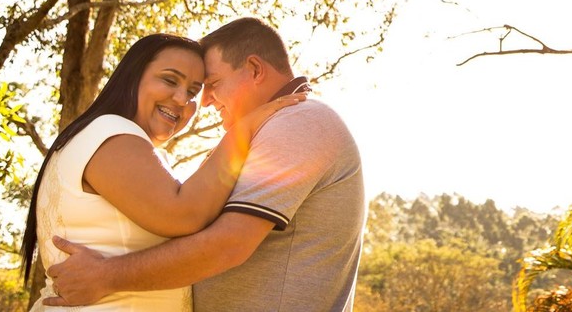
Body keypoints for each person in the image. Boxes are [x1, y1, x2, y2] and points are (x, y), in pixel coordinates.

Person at [43, 17, 366, 312]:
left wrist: (106, 275)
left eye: (209, 85)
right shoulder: (267, 131)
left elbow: (228, 244)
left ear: (254, 69)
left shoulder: (298, 120)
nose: (204, 101)